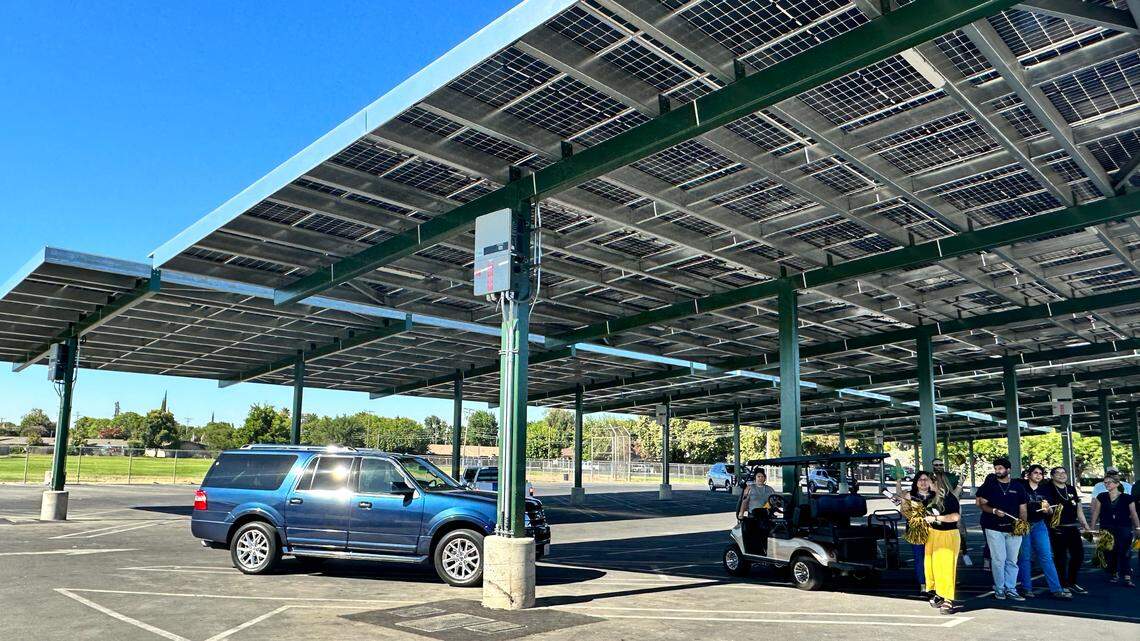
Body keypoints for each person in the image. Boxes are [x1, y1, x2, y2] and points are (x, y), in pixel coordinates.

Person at [1015, 465, 1072, 599]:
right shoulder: (1021, 487)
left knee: (1046, 556)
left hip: (1039, 524)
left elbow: (1051, 510)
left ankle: (1056, 589)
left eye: (1041, 473)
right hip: (1025, 524)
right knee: (1025, 557)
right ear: (1029, 474)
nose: (1038, 475)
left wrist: (1048, 510)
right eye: (1035, 473)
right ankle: (1026, 588)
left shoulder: (1045, 489)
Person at [976, 457, 1028, 601]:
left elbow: (1022, 508)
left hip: (1013, 529)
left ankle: (1011, 588)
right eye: (996, 468)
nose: (997, 471)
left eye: (1000, 468)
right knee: (999, 559)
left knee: (1012, 560)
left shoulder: (1018, 487)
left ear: (1008, 470)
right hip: (993, 527)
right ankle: (999, 588)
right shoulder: (990, 486)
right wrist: (993, 511)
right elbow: (982, 504)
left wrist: (1022, 524)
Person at [912, 474, 962, 614]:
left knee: (946, 568)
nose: (925, 483)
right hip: (932, 534)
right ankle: (939, 593)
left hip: (948, 534)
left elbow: (955, 517)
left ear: (936, 483)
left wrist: (935, 517)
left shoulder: (949, 497)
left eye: (928, 481)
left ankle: (948, 599)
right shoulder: (928, 497)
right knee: (932, 567)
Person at [1042, 466, 1091, 594]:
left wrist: (1085, 525)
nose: (1061, 475)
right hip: (1057, 528)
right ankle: (1062, 584)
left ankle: (1072, 582)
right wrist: (1048, 510)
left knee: (1078, 555)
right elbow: (1047, 507)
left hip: (1072, 526)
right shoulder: (1048, 489)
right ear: (1052, 476)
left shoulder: (1071, 488)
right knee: (1061, 558)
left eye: (1063, 472)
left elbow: (1078, 508)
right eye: (1057, 473)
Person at [1089, 475, 1140, 586]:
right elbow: (1096, 513)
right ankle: (1114, 573)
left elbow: (1134, 513)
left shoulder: (1127, 498)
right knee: (1109, 551)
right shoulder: (1101, 496)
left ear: (1117, 484)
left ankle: (1127, 575)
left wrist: (1137, 528)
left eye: (1110, 482)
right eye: (1105, 482)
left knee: (1125, 551)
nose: (1107, 484)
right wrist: (1092, 528)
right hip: (1106, 527)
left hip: (1123, 527)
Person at [933, 457, 971, 566]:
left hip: (951, 506)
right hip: (935, 508)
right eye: (936, 465)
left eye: (941, 465)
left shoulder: (951, 477)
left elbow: (957, 493)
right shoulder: (930, 477)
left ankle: (964, 552)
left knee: (960, 530)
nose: (939, 467)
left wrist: (960, 483)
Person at [897, 472, 928, 594]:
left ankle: (934, 582)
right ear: (916, 482)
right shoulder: (910, 495)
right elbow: (904, 512)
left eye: (926, 479)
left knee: (932, 558)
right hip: (917, 531)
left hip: (935, 530)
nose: (923, 482)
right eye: (920, 479)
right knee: (920, 557)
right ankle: (923, 583)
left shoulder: (935, 495)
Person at [737, 468, 776, 555]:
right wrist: (741, 513)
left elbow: (774, 501)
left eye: (762, 476)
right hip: (754, 516)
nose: (760, 478)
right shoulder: (750, 488)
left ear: (765, 478)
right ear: (755, 478)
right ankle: (756, 551)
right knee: (755, 531)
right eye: (758, 476)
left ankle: (767, 551)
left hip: (766, 515)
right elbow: (744, 501)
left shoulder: (769, 489)